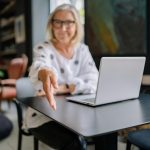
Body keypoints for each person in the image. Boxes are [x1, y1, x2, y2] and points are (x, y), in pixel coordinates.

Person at [24, 3, 98, 150]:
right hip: (43, 116)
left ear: (76, 25)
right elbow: (39, 66)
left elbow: (94, 81)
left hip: (77, 114)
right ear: (51, 25)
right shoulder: (43, 47)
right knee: (75, 144)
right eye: (57, 22)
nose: (63, 28)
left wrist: (64, 87)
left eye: (68, 23)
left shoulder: (83, 50)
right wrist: (44, 72)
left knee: (105, 131)